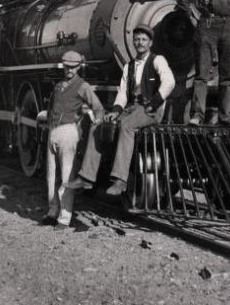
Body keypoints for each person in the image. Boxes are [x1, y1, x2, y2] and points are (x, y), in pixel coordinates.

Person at [65, 25, 175, 196]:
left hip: (152, 110)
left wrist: (154, 103)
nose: (140, 43)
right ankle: (86, 177)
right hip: (132, 108)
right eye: (137, 39)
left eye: (144, 40)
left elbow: (169, 82)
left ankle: (120, 180)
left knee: (126, 126)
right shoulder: (129, 66)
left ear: (150, 43)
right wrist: (115, 111)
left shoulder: (158, 60)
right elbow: (123, 93)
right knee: (97, 124)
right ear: (133, 42)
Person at [37, 51, 104, 230]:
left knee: (67, 176)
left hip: (68, 132)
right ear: (63, 66)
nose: (70, 70)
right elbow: (51, 109)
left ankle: (64, 218)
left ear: (79, 66)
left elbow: (97, 106)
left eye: (74, 67)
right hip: (53, 132)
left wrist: (97, 118)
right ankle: (52, 212)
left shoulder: (83, 86)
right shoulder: (57, 86)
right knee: (51, 176)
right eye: (67, 66)